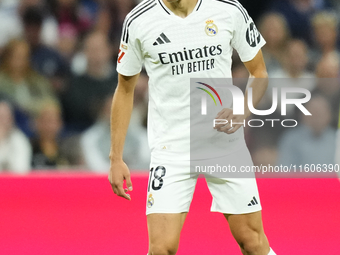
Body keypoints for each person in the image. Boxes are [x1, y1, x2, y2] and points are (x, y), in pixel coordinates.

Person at [109, 0, 276, 255]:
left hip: (224, 145)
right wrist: (116, 157)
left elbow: (259, 73)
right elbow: (125, 89)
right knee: (161, 248)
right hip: (171, 148)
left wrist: (243, 110)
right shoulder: (139, 20)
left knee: (253, 242)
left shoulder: (227, 9)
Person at [62, 31, 118, 131]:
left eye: (99, 49)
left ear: (109, 50)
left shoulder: (121, 81)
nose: (96, 54)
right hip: (83, 134)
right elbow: (75, 111)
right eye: (91, 49)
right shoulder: (74, 84)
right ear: (84, 52)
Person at [0, 99, 31, 173]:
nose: (1, 121)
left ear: (11, 119)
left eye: (4, 117)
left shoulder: (19, 139)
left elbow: (21, 169)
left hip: (12, 183)